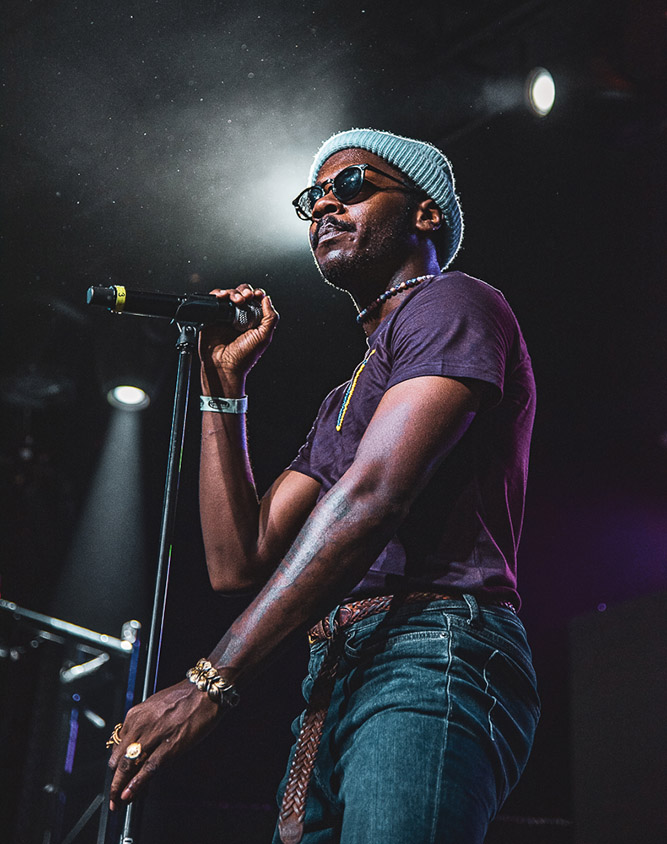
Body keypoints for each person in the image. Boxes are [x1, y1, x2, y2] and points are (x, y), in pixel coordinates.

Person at [108, 128, 540, 844]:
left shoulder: (453, 302)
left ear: (424, 215)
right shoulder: (344, 395)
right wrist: (225, 389)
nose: (322, 210)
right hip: (338, 668)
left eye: (350, 188)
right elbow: (237, 559)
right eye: (311, 201)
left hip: (429, 645)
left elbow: (374, 496)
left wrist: (211, 681)